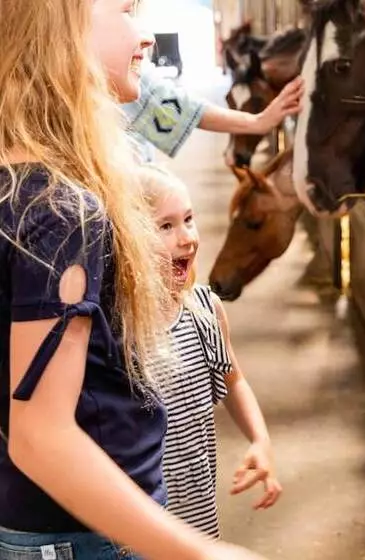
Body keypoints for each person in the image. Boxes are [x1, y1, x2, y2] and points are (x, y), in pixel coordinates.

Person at [0, 1, 265, 558]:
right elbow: (40, 437)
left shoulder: (19, 185)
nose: (145, 35)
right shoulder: (59, 210)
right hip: (84, 537)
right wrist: (206, 552)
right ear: (63, 26)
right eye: (125, 10)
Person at [138, 163, 282, 539]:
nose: (186, 238)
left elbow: (234, 383)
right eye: (165, 226)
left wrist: (260, 440)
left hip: (199, 507)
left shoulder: (205, 309)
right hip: (140, 517)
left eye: (188, 219)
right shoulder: (120, 329)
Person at [122, 62, 303, 163]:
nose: (148, 38)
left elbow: (181, 105)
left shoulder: (132, 72)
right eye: (125, 11)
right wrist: (257, 122)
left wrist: (258, 122)